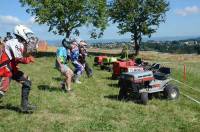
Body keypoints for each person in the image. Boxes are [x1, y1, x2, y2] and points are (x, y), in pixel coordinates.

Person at [0, 25, 38, 113]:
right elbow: (19, 58)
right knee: (2, 89)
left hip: (12, 68)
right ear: (20, 32)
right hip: (5, 68)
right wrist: (29, 58)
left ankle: (25, 105)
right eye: (26, 34)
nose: (28, 36)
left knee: (27, 82)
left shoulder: (21, 43)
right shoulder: (14, 42)